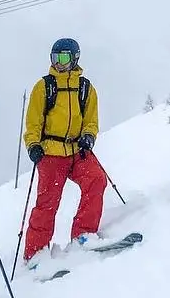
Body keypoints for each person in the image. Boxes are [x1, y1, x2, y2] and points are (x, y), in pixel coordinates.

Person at [20, 37, 107, 272]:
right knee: (47, 203)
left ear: (75, 59)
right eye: (55, 58)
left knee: (96, 180)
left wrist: (89, 136)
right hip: (50, 152)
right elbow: (33, 124)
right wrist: (33, 145)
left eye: (64, 58)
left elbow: (91, 120)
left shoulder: (86, 88)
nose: (59, 63)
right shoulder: (44, 87)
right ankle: (35, 253)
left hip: (77, 150)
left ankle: (84, 235)